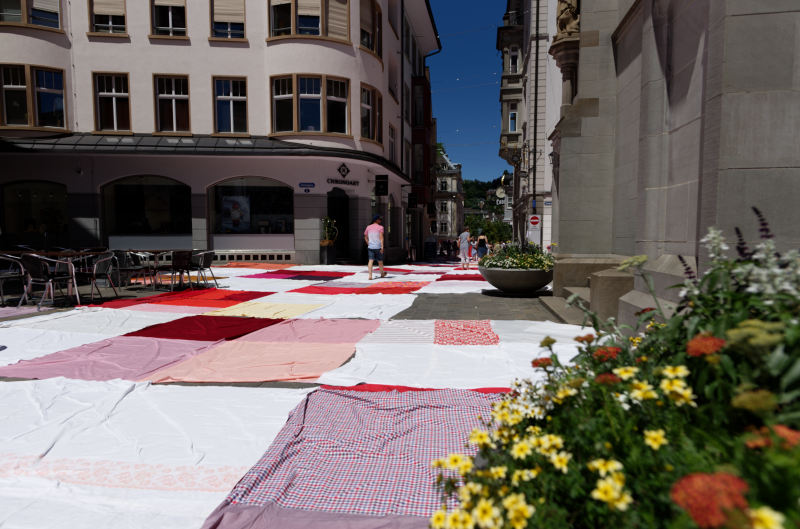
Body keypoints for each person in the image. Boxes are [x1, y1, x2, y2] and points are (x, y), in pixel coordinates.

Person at [364, 214, 386, 280]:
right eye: (380, 219)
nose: (380, 220)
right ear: (376, 220)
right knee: (380, 261)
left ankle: (370, 276)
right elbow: (381, 238)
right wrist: (382, 247)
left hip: (370, 247)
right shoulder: (380, 227)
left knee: (370, 261)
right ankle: (382, 274)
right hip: (378, 247)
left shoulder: (368, 227)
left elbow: (365, 237)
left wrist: (368, 243)